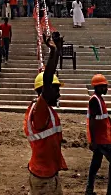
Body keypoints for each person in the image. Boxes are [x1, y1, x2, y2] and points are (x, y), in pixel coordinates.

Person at [24, 33, 66, 195]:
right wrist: (54, 52)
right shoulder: (40, 110)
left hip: (49, 174)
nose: (59, 94)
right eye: (57, 89)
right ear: (45, 91)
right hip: (43, 178)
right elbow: (47, 82)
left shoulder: (46, 110)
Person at [86, 74, 111, 195]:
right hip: (101, 140)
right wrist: (93, 141)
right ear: (98, 87)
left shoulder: (99, 99)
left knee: (95, 164)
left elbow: (105, 117)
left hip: (101, 138)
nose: (107, 88)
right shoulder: (95, 100)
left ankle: (89, 190)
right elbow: (93, 122)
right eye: (104, 86)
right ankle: (110, 191)